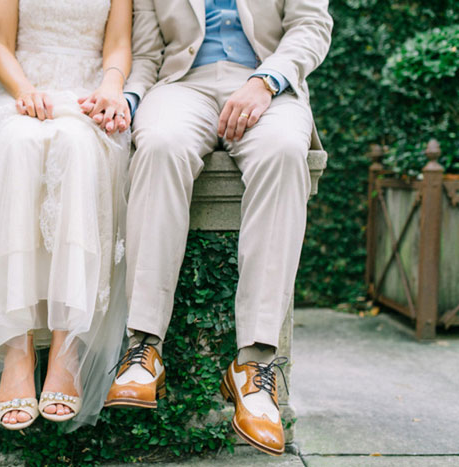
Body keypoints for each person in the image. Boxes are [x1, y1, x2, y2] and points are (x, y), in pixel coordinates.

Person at [93, 0, 333, 456]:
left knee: (284, 152)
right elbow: (146, 55)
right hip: (182, 86)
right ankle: (143, 348)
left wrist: (266, 80)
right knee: (159, 145)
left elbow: (311, 25)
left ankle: (254, 366)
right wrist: (127, 99)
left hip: (270, 85)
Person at [0, 0, 133, 432]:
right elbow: (0, 45)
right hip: (22, 88)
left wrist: (111, 85)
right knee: (17, 145)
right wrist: (24, 89)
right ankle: (17, 347)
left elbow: (119, 43)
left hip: (88, 93)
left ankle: (67, 348)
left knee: (77, 145)